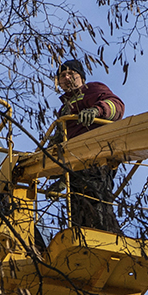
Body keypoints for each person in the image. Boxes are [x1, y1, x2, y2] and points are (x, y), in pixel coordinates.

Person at [51, 58, 124, 233]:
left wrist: (97, 111)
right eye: (62, 75)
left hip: (96, 157)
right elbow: (60, 141)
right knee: (78, 209)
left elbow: (117, 106)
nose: (67, 77)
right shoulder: (64, 110)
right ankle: (85, 239)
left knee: (96, 202)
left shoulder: (92, 89)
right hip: (75, 164)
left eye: (71, 73)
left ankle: (107, 236)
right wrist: (59, 173)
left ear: (81, 76)